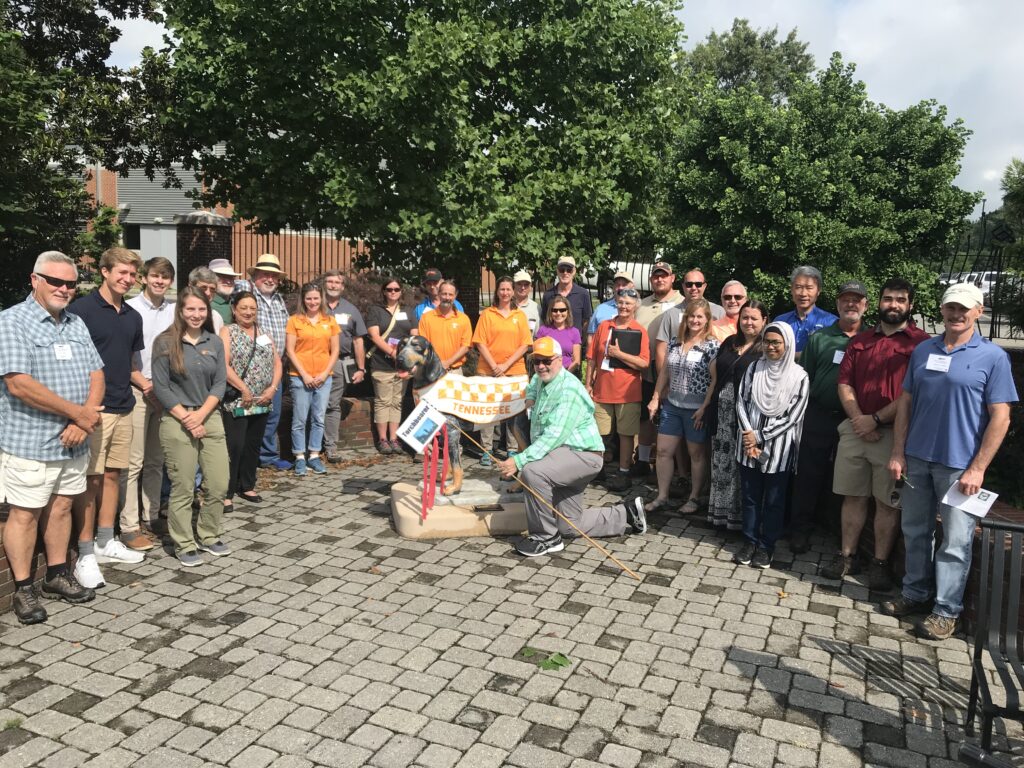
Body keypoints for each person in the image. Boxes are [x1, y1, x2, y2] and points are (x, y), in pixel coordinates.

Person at [884, 282, 1017, 640]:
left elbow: (1000, 417)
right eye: (950, 308)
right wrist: (898, 450)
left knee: (956, 542)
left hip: (960, 466)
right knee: (915, 531)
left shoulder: (993, 357)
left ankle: (946, 611)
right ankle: (914, 592)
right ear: (942, 310)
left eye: (964, 309)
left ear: (979, 311)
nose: (956, 315)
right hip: (917, 458)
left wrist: (978, 468)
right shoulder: (924, 350)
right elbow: (906, 404)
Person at [0, 252, 102, 623]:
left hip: (75, 438)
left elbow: (96, 374)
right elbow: (19, 384)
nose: (63, 289)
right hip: (31, 441)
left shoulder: (76, 323)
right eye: (55, 281)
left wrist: (83, 420)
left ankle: (57, 575)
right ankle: (24, 588)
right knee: (25, 514)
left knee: (61, 506)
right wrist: (78, 414)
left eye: (70, 284)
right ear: (34, 280)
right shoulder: (12, 321)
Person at [494, 337, 647, 557]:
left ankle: (546, 538)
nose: (541, 366)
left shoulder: (568, 390)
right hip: (563, 455)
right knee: (568, 525)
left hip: (583, 456)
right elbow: (533, 388)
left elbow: (554, 435)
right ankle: (627, 513)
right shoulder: (541, 378)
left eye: (546, 360)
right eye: (536, 361)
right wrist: (529, 400)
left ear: (559, 360)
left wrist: (518, 460)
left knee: (533, 471)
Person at [822, 278, 930, 587]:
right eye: (888, 298)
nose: (893, 304)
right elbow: (845, 383)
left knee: (886, 503)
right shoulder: (860, 341)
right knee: (852, 497)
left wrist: (876, 419)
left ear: (910, 305)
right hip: (856, 432)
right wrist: (859, 419)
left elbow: (912, 393)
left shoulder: (921, 345)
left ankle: (879, 563)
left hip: (894, 436)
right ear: (879, 302)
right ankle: (847, 556)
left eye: (900, 300)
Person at [69, 247, 146, 589]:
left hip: (124, 405)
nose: (127, 279)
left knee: (114, 474)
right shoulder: (81, 310)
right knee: (92, 480)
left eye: (132, 275)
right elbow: (71, 364)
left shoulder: (132, 315)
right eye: (122, 273)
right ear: (104, 271)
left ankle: (104, 540)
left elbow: (129, 363)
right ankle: (85, 552)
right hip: (96, 409)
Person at [787, 281, 868, 554]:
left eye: (857, 300)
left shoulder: (872, 340)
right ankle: (800, 530)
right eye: (846, 300)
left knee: (848, 478)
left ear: (865, 305)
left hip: (855, 419)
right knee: (809, 473)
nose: (851, 304)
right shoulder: (821, 338)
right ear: (837, 304)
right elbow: (803, 377)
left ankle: (835, 531)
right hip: (819, 414)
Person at [151, 287, 230, 567]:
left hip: (210, 416)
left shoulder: (214, 341)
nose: (196, 315)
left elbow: (220, 383)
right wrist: (188, 418)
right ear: (180, 311)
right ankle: (183, 542)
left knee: (218, 482)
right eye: (190, 309)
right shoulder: (165, 342)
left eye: (201, 309)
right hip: (176, 418)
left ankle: (209, 535)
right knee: (183, 485)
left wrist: (202, 415)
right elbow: (161, 387)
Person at [733, 322, 809, 570]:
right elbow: (741, 402)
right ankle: (749, 541)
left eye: (777, 342)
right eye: (767, 341)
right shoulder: (755, 368)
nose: (771, 346)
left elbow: (793, 416)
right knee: (750, 497)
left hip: (779, 450)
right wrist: (749, 436)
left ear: (787, 344)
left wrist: (760, 436)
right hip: (747, 447)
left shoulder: (799, 376)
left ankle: (767, 547)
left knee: (775, 501)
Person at [121, 257, 175, 551]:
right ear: (144, 278)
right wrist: (144, 383)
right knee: (134, 461)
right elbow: (126, 353)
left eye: (165, 277)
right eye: (155, 276)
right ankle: (129, 524)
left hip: (164, 392)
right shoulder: (131, 309)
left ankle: (152, 515)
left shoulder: (174, 310)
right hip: (139, 389)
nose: (160, 281)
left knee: (156, 460)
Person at [647, 298, 719, 515]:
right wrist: (655, 397)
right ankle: (662, 496)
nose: (695, 321)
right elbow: (665, 373)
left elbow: (715, 380)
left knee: (696, 454)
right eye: (691, 316)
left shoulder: (712, 346)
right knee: (662, 451)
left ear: (707, 320)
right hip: (672, 406)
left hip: (695, 409)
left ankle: (695, 497)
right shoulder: (674, 342)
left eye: (700, 317)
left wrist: (705, 407)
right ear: (685, 318)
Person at [707, 301, 767, 531]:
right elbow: (716, 378)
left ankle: (740, 520)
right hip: (722, 415)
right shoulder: (729, 343)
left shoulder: (764, 349)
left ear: (764, 321)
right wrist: (706, 407)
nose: (748, 322)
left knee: (742, 467)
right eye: (745, 318)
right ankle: (719, 516)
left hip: (746, 418)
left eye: (754, 318)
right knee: (721, 465)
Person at [220, 291, 281, 508]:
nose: (248, 312)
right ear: (234, 310)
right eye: (243, 308)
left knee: (253, 444)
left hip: (262, 401)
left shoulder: (263, 333)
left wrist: (273, 388)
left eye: (252, 308)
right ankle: (226, 491)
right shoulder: (228, 332)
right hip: (238, 400)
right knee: (234, 445)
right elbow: (224, 365)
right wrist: (244, 389)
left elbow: (277, 363)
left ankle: (247, 484)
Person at [587, 288, 650, 491]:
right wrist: (588, 383)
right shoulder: (604, 326)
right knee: (599, 434)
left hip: (627, 392)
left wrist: (619, 354)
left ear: (635, 307)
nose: (624, 307)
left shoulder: (639, 330)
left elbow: (643, 363)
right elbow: (591, 358)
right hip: (602, 390)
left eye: (628, 304)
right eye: (620, 302)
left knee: (625, 434)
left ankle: (624, 472)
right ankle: (598, 469)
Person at [235, 253, 292, 470]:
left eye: (274, 276)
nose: (270, 279)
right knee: (246, 413)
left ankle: (267, 457)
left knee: (272, 413)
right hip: (249, 367)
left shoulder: (278, 300)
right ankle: (244, 458)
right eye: (265, 275)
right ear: (255, 276)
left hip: (275, 367)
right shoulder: (246, 292)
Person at [633, 262, 685, 480]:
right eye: (656, 276)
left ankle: (676, 467)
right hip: (647, 370)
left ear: (672, 278)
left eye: (664, 276)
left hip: (678, 373)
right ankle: (644, 460)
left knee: (673, 418)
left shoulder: (684, 303)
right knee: (647, 416)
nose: (660, 280)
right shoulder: (641, 305)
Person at [473, 276, 532, 465]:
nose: (505, 293)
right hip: (487, 370)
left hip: (515, 370)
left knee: (514, 411)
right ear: (497, 292)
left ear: (513, 292)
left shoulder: (519, 316)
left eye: (508, 289)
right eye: (502, 289)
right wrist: (494, 366)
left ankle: (513, 449)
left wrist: (505, 366)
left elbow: (525, 345)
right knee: (487, 411)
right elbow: (480, 343)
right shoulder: (487, 314)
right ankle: (487, 449)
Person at [285, 282, 340, 476]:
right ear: (303, 299)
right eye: (309, 298)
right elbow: (290, 351)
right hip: (300, 377)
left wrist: (325, 373)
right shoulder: (294, 321)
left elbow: (335, 351)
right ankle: (300, 457)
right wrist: (305, 375)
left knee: (318, 418)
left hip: (324, 377)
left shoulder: (330, 320)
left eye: (316, 298)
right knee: (300, 419)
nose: (312, 301)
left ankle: (314, 455)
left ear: (321, 299)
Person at [320, 270, 367, 463]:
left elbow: (358, 341)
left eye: (337, 282)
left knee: (332, 404)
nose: (333, 285)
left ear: (342, 287)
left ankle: (330, 447)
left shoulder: (351, 310)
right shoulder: (314, 304)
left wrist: (361, 368)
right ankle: (311, 447)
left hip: (341, 362)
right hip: (317, 362)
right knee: (313, 404)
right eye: (329, 281)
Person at [366, 278, 417, 453]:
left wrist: (406, 356)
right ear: (384, 291)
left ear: (401, 291)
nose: (393, 292)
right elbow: (375, 336)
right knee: (383, 402)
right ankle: (382, 439)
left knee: (397, 402)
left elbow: (414, 336)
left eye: (396, 289)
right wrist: (394, 353)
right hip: (381, 364)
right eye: (389, 289)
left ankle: (394, 439)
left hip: (402, 366)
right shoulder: (375, 311)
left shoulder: (408, 311)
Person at [773, 266, 837, 355]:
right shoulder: (780, 322)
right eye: (798, 287)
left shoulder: (831, 322)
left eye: (809, 288)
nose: (803, 293)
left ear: (818, 291)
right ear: (791, 290)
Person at [418, 280, 473, 372]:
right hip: (431, 369)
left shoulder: (463, 319)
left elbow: (466, 346)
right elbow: (423, 344)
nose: (447, 297)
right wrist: (437, 363)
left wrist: (447, 362)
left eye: (450, 294)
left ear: (455, 296)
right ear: (439, 294)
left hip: (455, 371)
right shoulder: (426, 318)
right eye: (444, 294)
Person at [541, 256, 592, 341]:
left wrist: (582, 343)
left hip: (575, 345)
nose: (565, 273)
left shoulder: (583, 294)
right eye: (562, 270)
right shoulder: (548, 295)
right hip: (553, 345)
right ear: (557, 271)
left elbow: (586, 322)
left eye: (569, 270)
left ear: (574, 271)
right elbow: (546, 320)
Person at [535, 298, 581, 374]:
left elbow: (576, 361)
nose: (558, 313)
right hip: (547, 373)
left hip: (567, 373)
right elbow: (537, 356)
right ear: (550, 312)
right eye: (555, 310)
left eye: (562, 310)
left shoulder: (574, 332)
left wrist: (563, 376)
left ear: (568, 311)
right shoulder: (543, 330)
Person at [189, 266, 224, 332]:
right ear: (191, 287)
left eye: (212, 289)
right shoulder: (175, 312)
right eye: (203, 288)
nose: (208, 293)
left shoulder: (216, 317)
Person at [209, 258, 241, 326]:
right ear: (210, 279)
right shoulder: (207, 306)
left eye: (231, 277)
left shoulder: (234, 302)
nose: (228, 281)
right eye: (222, 277)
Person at [513, 271, 541, 336]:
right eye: (519, 284)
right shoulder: (505, 305)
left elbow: (538, 334)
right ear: (514, 285)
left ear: (530, 287)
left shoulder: (536, 308)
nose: (523, 288)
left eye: (526, 285)